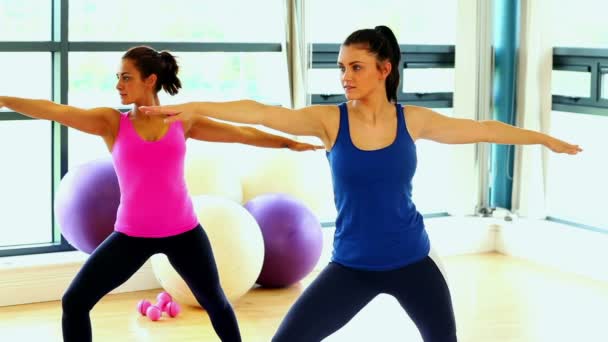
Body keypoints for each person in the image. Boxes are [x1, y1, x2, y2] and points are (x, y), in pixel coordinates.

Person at [140, 26, 582, 342]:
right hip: (351, 267)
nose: (345, 76)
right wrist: (191, 107)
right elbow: (261, 112)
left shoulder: (414, 120)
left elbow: (482, 127)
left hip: (413, 262)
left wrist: (543, 138)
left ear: (384, 69)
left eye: (356, 66)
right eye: (341, 67)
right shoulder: (331, 120)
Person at [0, 45, 322, 342]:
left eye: (126, 77)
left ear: (150, 80)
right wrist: (3, 99)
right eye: (118, 78)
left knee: (216, 302)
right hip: (131, 236)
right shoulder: (112, 123)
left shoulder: (183, 120)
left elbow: (240, 134)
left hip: (184, 232)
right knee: (75, 301)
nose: (119, 85)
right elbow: (53, 110)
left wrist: (288, 142)